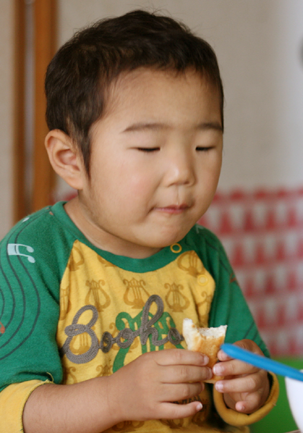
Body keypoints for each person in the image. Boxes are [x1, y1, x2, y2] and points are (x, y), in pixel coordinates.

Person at [0, 10, 278, 433]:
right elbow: (11, 409)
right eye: (149, 147)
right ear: (70, 159)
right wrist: (116, 397)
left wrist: (251, 385)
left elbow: (246, 373)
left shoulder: (203, 251)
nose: (183, 171)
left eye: (205, 146)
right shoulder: (34, 252)